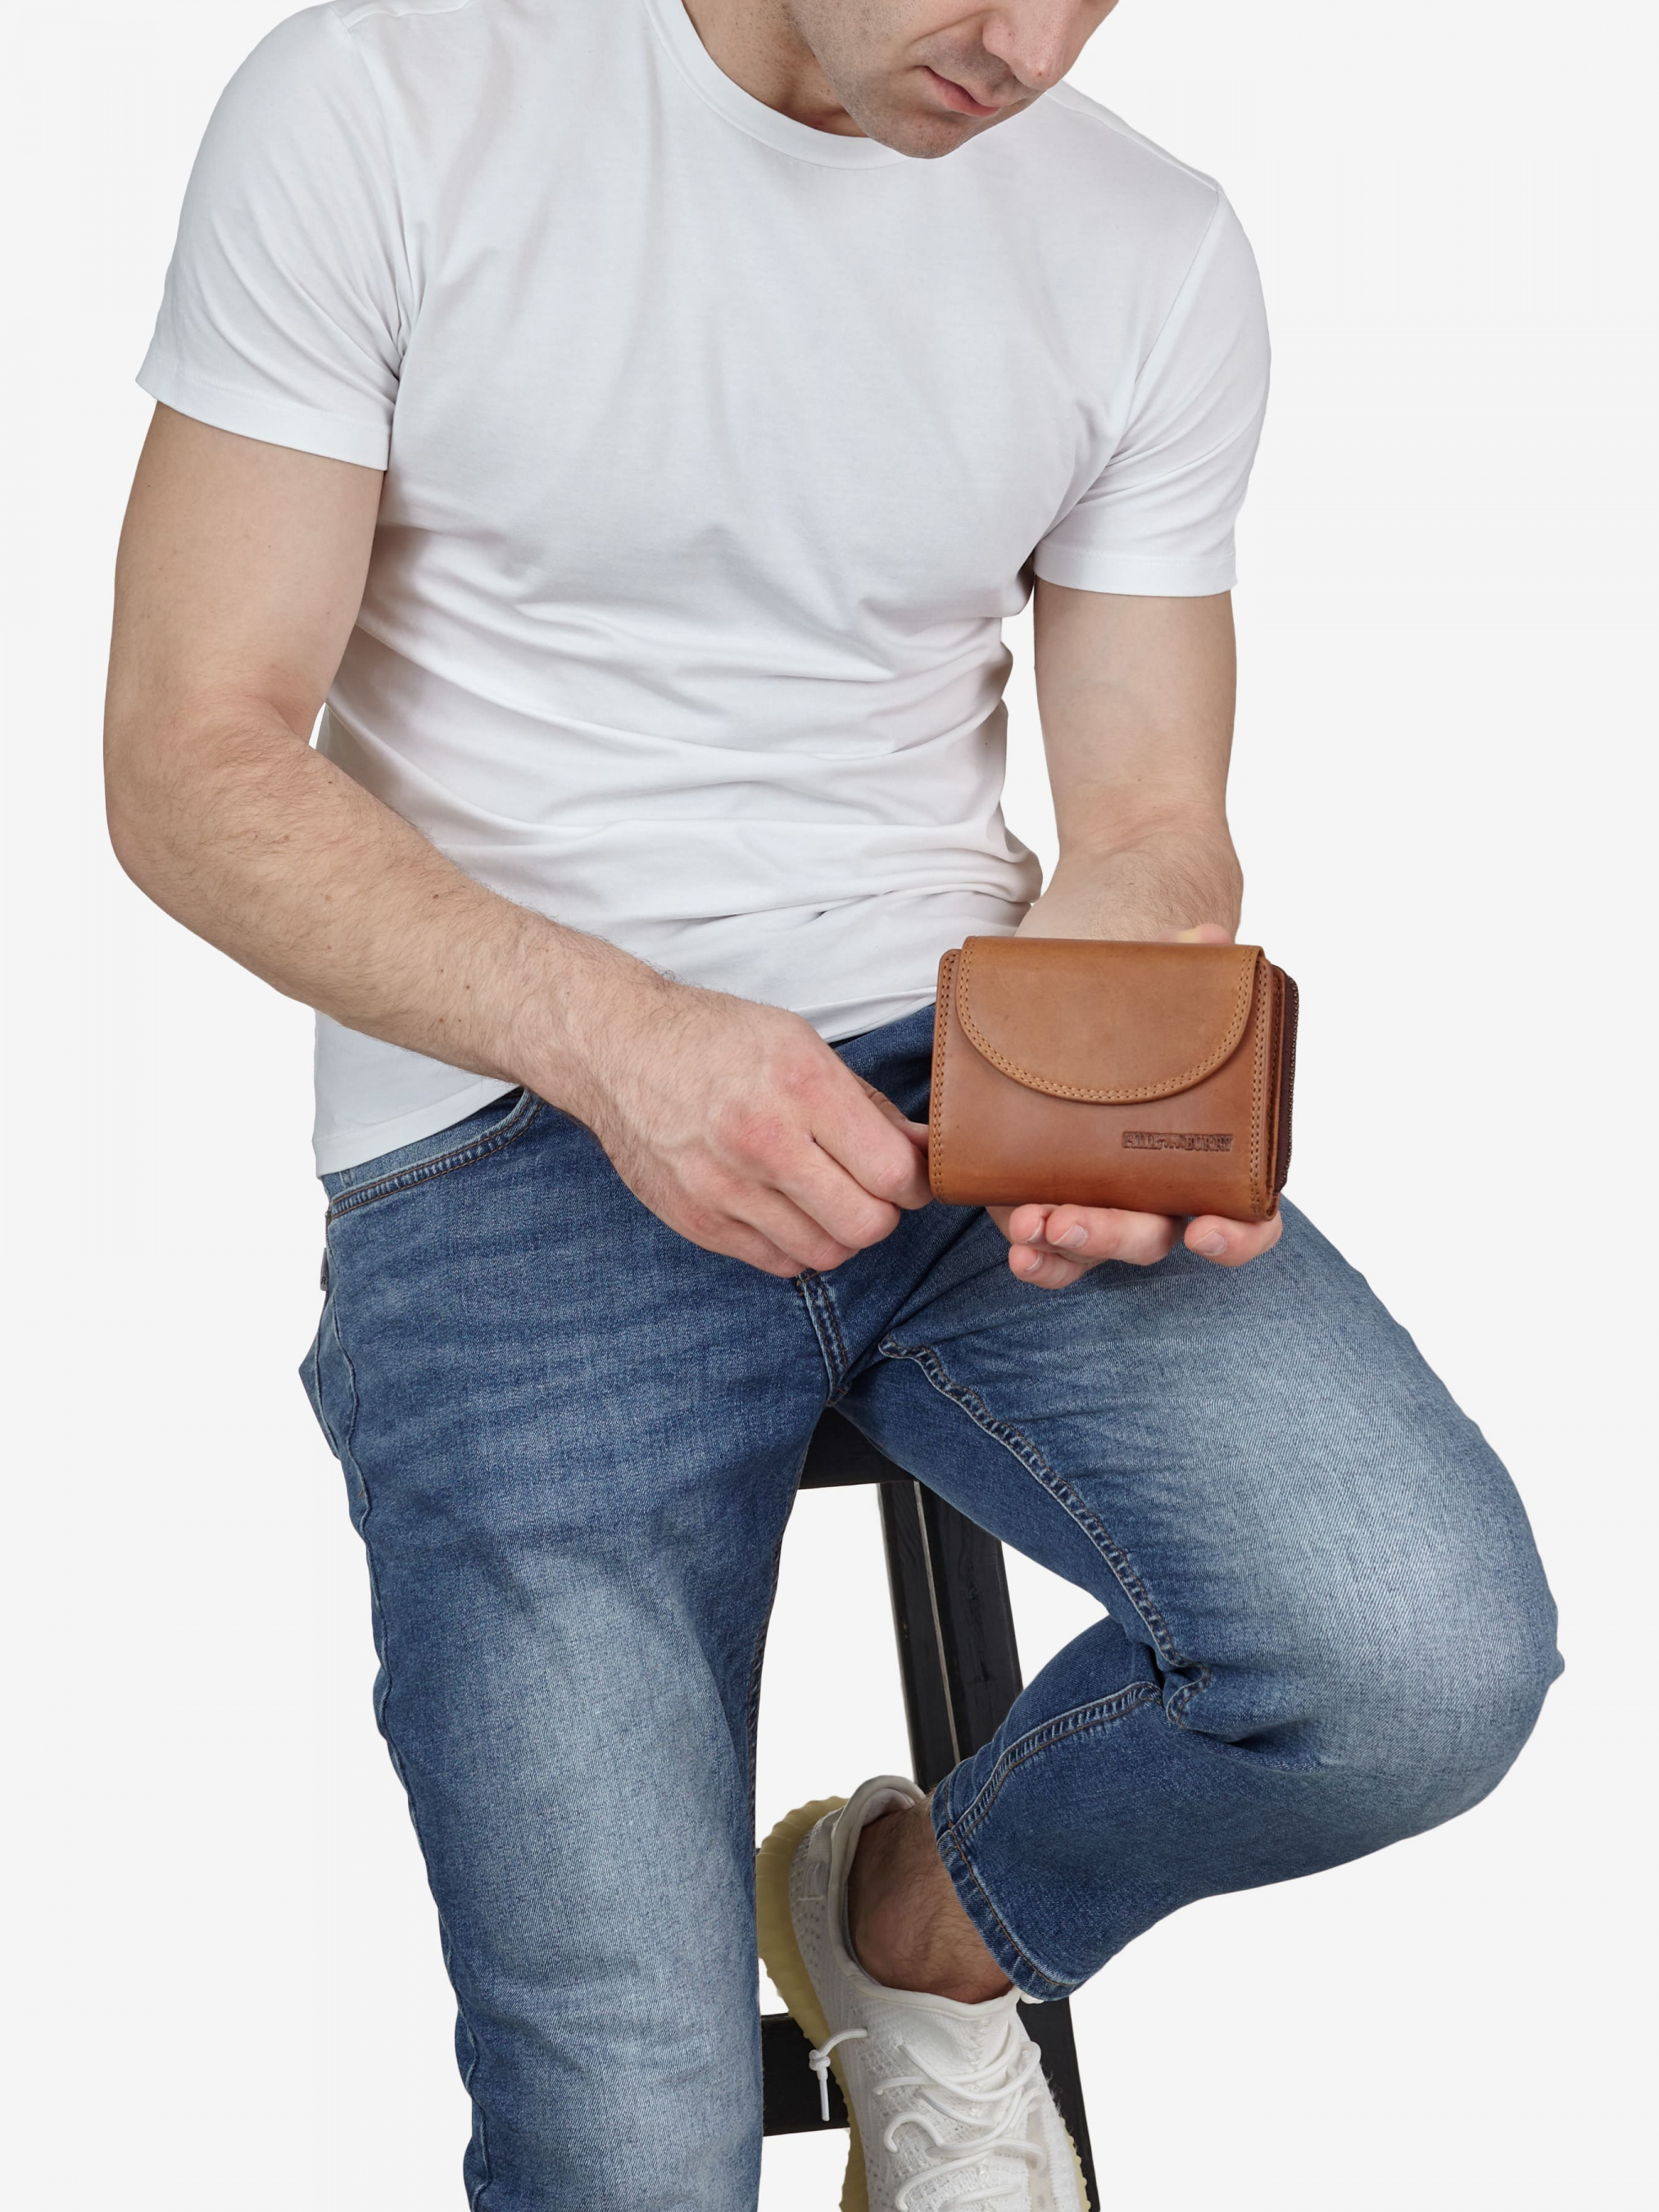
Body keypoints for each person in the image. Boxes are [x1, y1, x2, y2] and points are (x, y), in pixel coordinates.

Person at [103, 3, 1561, 2206]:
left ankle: (907, 1937)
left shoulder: (1150, 243)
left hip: (952, 1089)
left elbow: (1149, 823)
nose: (1029, 43)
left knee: (1408, 1664)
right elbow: (188, 758)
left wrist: (1106, 1071)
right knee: (630, 2144)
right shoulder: (387, 102)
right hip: (508, 1117)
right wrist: (620, 1041)